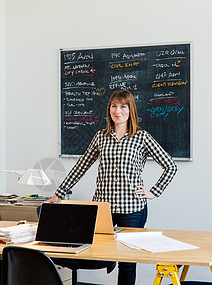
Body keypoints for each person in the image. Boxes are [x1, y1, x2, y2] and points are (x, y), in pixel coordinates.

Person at [47, 89, 177, 285]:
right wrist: (58, 194)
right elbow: (81, 167)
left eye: (123, 106)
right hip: (103, 208)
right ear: (109, 109)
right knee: (95, 251)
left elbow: (170, 165)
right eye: (114, 106)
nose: (118, 111)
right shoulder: (101, 137)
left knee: (127, 262)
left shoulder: (141, 137)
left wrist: (154, 191)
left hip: (132, 210)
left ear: (130, 110)